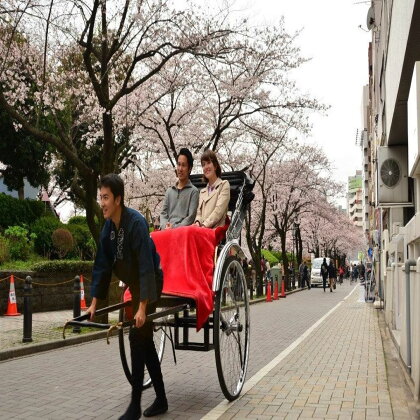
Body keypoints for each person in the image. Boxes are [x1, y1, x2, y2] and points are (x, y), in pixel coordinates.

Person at [87, 174, 167, 420]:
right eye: (100, 197)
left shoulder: (136, 223)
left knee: (136, 336)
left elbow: (145, 266)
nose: (102, 203)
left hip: (151, 282)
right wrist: (94, 304)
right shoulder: (108, 228)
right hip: (135, 285)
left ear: (118, 199)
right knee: (145, 341)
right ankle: (161, 399)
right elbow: (101, 265)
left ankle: (134, 406)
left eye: (106, 198)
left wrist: (142, 307)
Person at [160, 148, 199, 229]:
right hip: (166, 231)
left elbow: (190, 217)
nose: (180, 169)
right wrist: (165, 226)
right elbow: (163, 214)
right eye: (178, 164)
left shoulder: (194, 191)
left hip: (182, 233)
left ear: (190, 168)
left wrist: (174, 228)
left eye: (184, 165)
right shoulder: (169, 191)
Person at [195, 150, 230, 228]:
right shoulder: (202, 192)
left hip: (215, 230)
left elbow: (219, 211)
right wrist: (197, 222)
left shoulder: (224, 185)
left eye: (208, 163)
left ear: (215, 166)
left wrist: (204, 225)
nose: (206, 167)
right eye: (203, 165)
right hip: (201, 229)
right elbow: (199, 213)